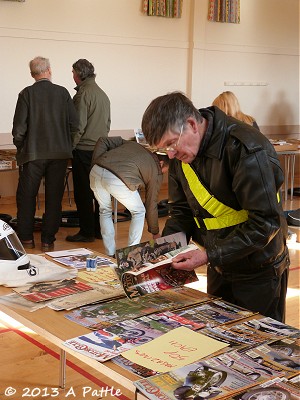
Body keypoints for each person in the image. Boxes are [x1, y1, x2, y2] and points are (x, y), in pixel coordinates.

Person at [141, 91, 290, 322]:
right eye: (163, 149)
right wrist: (163, 254)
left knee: (258, 345)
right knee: (220, 338)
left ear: (191, 124)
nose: (170, 154)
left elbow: (265, 223)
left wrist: (208, 255)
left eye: (171, 144)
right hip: (219, 264)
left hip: (259, 269)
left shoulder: (246, 148)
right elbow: (181, 212)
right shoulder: (183, 156)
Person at [12, 56, 78, 251]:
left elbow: (18, 130)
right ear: (49, 70)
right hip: (59, 155)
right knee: (53, 197)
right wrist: (67, 146)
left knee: (27, 197)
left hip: (32, 155)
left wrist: (20, 148)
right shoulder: (63, 93)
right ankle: (48, 240)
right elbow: (75, 125)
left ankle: (26, 239)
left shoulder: (26, 94)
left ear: (32, 74)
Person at [90, 137, 169, 257]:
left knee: (104, 211)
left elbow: (102, 140)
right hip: (117, 179)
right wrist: (155, 232)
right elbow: (151, 203)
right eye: (164, 171)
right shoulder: (156, 169)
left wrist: (96, 162)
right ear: (161, 163)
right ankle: (131, 253)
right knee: (139, 211)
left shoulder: (132, 144)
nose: (162, 174)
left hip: (95, 172)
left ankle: (110, 254)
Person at [66, 59, 111, 243]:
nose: (72, 76)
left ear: (79, 74)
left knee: (83, 193)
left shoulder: (83, 94)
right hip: (100, 150)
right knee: (98, 193)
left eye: (73, 72)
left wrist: (70, 148)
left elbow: (78, 127)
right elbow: (107, 124)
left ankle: (86, 232)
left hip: (84, 150)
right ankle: (99, 230)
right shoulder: (102, 94)